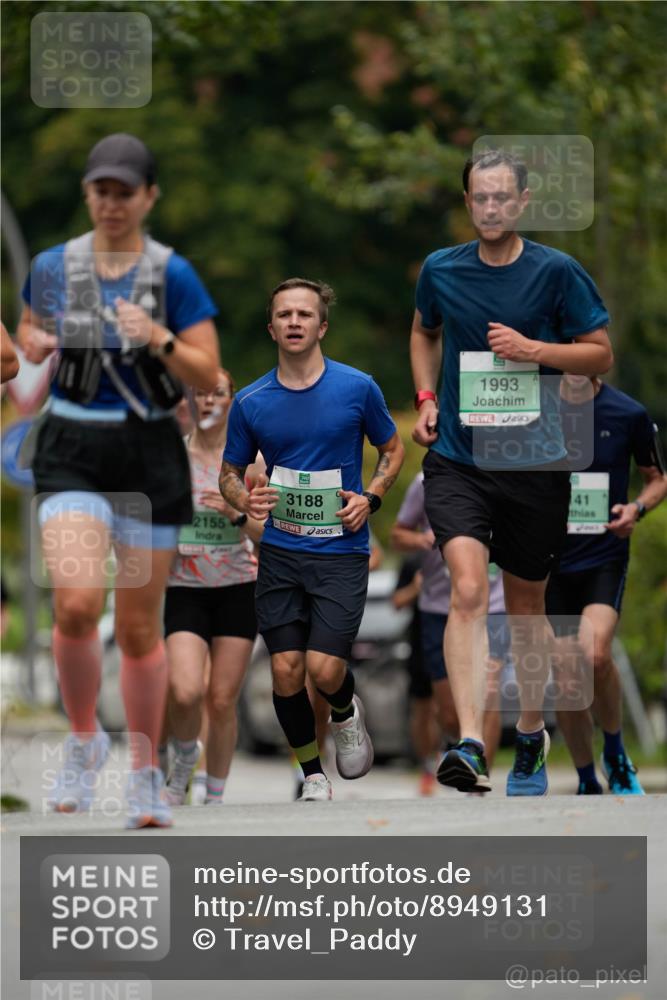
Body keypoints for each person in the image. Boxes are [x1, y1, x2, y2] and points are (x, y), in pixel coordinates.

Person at [17, 133, 220, 827]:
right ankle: (84, 739)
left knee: (137, 627)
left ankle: (143, 774)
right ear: (87, 195)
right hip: (72, 444)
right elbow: (28, 333)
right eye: (101, 191)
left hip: (148, 450)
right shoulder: (54, 266)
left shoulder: (171, 274)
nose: (111, 203)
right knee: (76, 604)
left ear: (148, 197)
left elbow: (207, 370)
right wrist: (34, 343)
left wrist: (157, 336)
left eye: (124, 192)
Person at [410, 149, 613, 795]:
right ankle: (471, 742)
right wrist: (425, 398)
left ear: (522, 202)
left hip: (536, 464)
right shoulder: (441, 269)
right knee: (468, 589)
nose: (491, 208)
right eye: (481, 197)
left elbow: (599, 354)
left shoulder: (556, 271)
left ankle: (529, 730)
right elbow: (423, 332)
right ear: (467, 202)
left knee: (525, 608)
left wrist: (533, 350)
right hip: (459, 460)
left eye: (502, 197)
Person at [220, 278, 404, 801]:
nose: (295, 322)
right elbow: (228, 473)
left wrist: (371, 497)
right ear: (271, 328)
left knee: (324, 669)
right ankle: (312, 775)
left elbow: (392, 449)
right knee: (285, 669)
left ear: (322, 326)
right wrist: (245, 500)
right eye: (285, 314)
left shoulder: (357, 388)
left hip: (341, 551)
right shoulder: (251, 401)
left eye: (305, 314)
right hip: (281, 552)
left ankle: (345, 712)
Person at [546, 373, 667, 794]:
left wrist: (636, 509)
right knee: (566, 677)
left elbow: (658, 479)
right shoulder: (537, 407)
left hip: (603, 557)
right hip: (548, 563)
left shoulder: (627, 413)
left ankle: (615, 753)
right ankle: (586, 779)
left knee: (595, 655)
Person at [164, 369, 265, 806]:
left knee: (222, 699)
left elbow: (268, 534)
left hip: (238, 586)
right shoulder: (171, 456)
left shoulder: (252, 465)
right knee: (185, 690)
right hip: (184, 587)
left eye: (217, 393)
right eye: (200, 393)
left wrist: (235, 514)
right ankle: (186, 756)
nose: (208, 401)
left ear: (231, 401)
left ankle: (215, 796)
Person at [391, 472, 507, 779]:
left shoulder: (507, 473)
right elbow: (397, 535)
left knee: (489, 692)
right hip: (438, 608)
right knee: (449, 711)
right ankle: (465, 745)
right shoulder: (426, 481)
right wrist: (422, 539)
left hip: (494, 605)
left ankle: (481, 774)